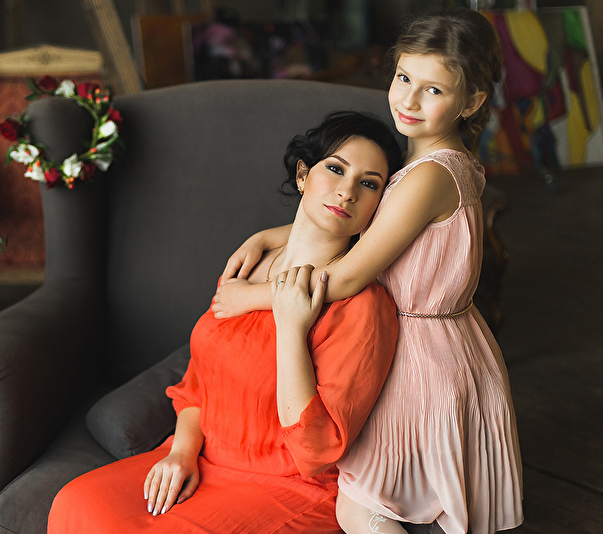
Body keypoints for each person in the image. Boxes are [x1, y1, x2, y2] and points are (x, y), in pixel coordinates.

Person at [213, 8, 524, 534]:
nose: (408, 100)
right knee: (382, 501)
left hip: (423, 355)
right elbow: (372, 228)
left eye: (433, 90)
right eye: (403, 78)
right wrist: (271, 235)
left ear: (471, 102)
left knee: (360, 505)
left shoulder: (429, 176)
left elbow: (350, 275)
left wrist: (252, 296)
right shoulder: (434, 163)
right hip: (434, 338)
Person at [47, 111, 402, 533]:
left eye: (369, 184)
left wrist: (292, 329)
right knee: (75, 504)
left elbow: (316, 451)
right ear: (303, 175)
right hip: (204, 458)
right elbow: (198, 384)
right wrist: (181, 453)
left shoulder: (365, 307)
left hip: (289, 486)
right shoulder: (249, 264)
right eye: (336, 169)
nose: (347, 192)